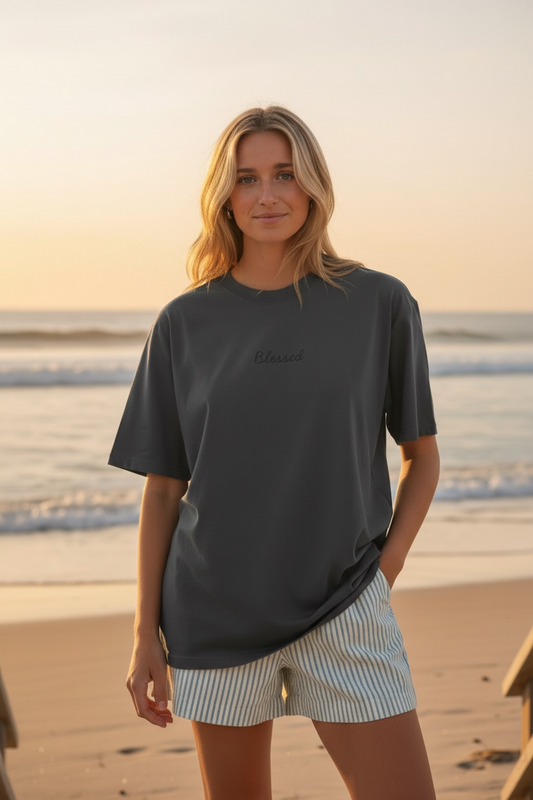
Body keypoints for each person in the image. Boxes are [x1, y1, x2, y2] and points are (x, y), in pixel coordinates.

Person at [108, 105, 440, 800]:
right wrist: (146, 636)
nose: (266, 195)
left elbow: (420, 455)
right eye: (247, 178)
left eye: (284, 174)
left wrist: (384, 570)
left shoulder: (378, 303)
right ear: (223, 196)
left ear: (313, 183)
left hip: (346, 602)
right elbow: (164, 490)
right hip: (214, 611)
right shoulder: (184, 323)